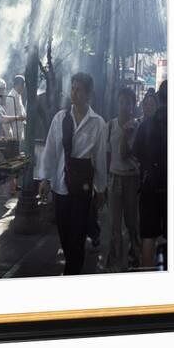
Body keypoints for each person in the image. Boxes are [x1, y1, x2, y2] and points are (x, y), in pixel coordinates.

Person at [38, 72, 107, 275]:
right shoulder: (60, 119)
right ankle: (72, 265)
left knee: (77, 235)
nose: (74, 94)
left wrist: (101, 189)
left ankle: (72, 273)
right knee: (64, 232)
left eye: (79, 90)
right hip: (60, 185)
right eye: (73, 89)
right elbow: (50, 150)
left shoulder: (98, 123)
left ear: (89, 94)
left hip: (82, 188)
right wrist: (45, 178)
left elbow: (100, 159)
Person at [133, 80, 168, 268]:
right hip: (173, 189)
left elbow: (136, 152)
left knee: (148, 236)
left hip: (149, 187)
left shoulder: (146, 125)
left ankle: (147, 278)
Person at [106, 88, 141, 271]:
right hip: (113, 178)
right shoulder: (110, 125)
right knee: (113, 224)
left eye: (127, 102)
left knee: (131, 223)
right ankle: (114, 262)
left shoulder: (137, 127)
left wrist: (127, 134)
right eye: (121, 102)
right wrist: (104, 181)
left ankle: (134, 255)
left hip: (131, 180)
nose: (124, 106)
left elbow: (125, 152)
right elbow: (107, 154)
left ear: (133, 105)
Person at [5, 75, 27, 141]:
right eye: (23, 85)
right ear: (18, 84)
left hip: (19, 131)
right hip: (14, 134)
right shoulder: (12, 96)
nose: (24, 87)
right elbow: (10, 116)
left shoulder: (18, 95)